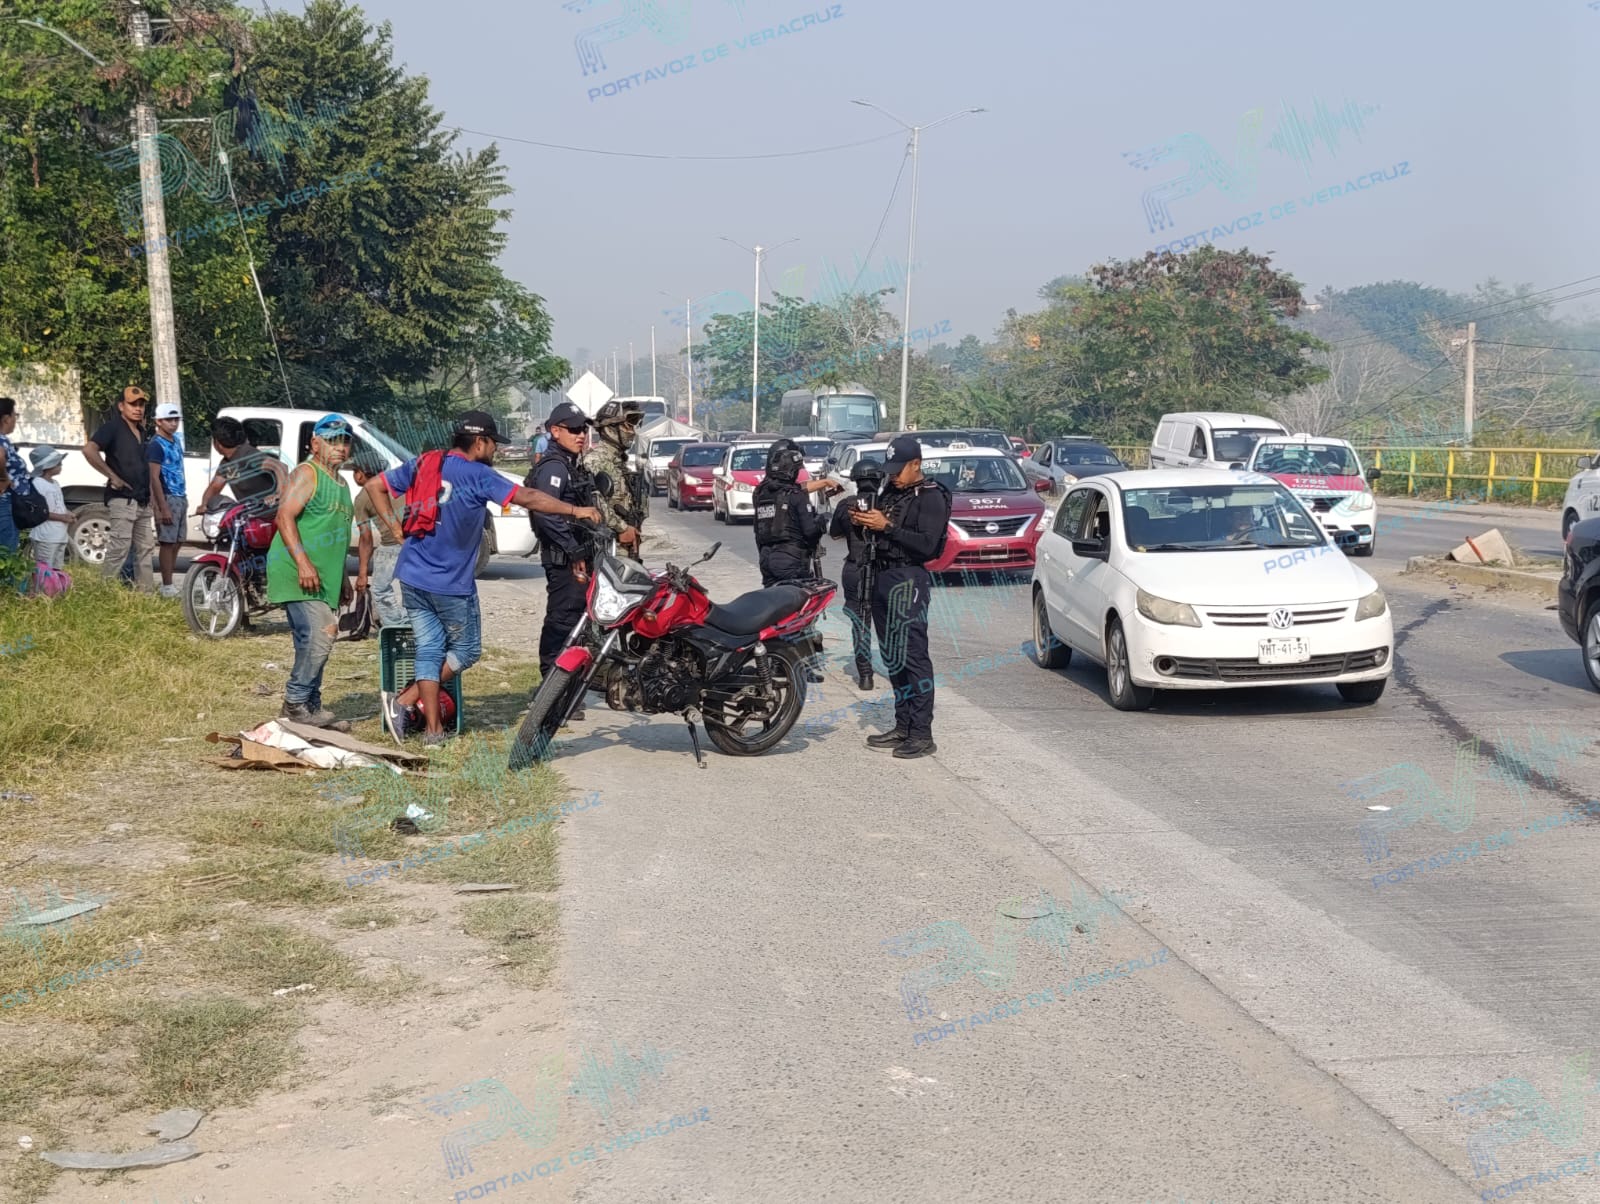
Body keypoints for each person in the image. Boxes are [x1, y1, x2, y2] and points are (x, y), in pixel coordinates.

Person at [362, 410, 600, 747]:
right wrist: (576, 510)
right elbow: (529, 497)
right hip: (450, 583)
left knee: (429, 650)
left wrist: (394, 527)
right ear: (478, 442)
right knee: (467, 651)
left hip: (413, 575)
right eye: (493, 443)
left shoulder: (427, 462)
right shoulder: (478, 474)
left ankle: (433, 731)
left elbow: (375, 486)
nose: (496, 450)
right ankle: (404, 700)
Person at [849, 435, 952, 760]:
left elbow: (928, 546)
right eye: (890, 469)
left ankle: (921, 734)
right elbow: (880, 527)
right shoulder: (892, 491)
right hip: (882, 576)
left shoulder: (931, 496)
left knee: (913, 657)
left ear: (916, 464)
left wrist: (888, 526)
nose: (893, 475)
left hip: (908, 578)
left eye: (898, 469)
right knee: (893, 656)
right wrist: (865, 521)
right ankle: (903, 725)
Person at [266, 415, 357, 726]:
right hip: (296, 570)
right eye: (332, 441)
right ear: (315, 444)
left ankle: (311, 707)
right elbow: (284, 517)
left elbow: (336, 535)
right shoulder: (307, 473)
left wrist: (343, 577)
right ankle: (295, 702)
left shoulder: (342, 484)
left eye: (345, 441)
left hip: (324, 577)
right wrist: (304, 563)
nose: (340, 447)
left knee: (312, 642)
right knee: (322, 635)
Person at [527, 403, 596, 710]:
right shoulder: (554, 467)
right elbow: (545, 514)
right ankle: (550, 693)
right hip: (564, 559)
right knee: (562, 621)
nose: (581, 435)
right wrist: (572, 548)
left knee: (577, 623)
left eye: (584, 429)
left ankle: (565, 690)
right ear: (555, 431)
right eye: (574, 429)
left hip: (577, 556)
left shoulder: (569, 464)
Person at [84, 386, 155, 589]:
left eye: (141, 405)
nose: (138, 408)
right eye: (133, 404)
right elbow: (89, 449)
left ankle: (146, 595)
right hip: (123, 498)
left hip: (142, 500)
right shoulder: (113, 427)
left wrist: (152, 497)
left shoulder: (142, 431)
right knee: (119, 548)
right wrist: (112, 476)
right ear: (121, 406)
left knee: (145, 549)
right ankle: (104, 591)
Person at [829, 459, 884, 691]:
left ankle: (865, 675)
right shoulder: (887, 504)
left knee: (860, 624)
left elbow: (834, 534)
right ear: (879, 479)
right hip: (882, 570)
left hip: (854, 568)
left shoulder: (846, 505)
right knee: (888, 622)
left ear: (856, 480)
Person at [583, 399, 646, 562]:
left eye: (634, 426)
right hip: (606, 548)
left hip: (624, 546)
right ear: (610, 428)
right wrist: (622, 528)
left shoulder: (619, 462)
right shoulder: (595, 461)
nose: (632, 432)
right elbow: (594, 502)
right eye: (628, 426)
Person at [351, 458, 408, 629]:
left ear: (360, 474)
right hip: (415, 542)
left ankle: (396, 626)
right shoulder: (396, 483)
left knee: (380, 589)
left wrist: (362, 574)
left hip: (391, 544)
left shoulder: (362, 498)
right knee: (412, 588)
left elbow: (366, 539)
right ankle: (414, 623)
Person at [196, 416, 289, 518]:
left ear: (217, 443)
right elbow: (215, 486)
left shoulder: (246, 453)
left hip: (275, 516)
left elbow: (280, 467)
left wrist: (278, 494)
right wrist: (204, 505)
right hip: (253, 516)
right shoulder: (226, 463)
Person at [146, 402, 187, 597]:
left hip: (180, 494)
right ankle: (167, 584)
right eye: (169, 420)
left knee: (178, 540)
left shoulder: (176, 440)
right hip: (167, 495)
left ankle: (169, 581)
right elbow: (154, 477)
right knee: (167, 542)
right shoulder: (156, 444)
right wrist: (162, 507)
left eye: (176, 419)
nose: (173, 423)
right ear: (159, 421)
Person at [25, 448, 72, 570]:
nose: (61, 465)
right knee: (44, 569)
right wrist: (62, 517)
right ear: (47, 466)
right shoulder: (38, 483)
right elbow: (39, 511)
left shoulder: (55, 483)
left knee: (57, 569)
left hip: (59, 535)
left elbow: (58, 505)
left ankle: (54, 583)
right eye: (58, 463)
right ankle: (40, 584)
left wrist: (67, 513)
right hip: (45, 536)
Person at [0, 397, 28, 558]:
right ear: (6, 418)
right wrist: (3, 479)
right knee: (6, 551)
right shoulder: (1, 439)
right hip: (5, 501)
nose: (15, 420)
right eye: (15, 415)